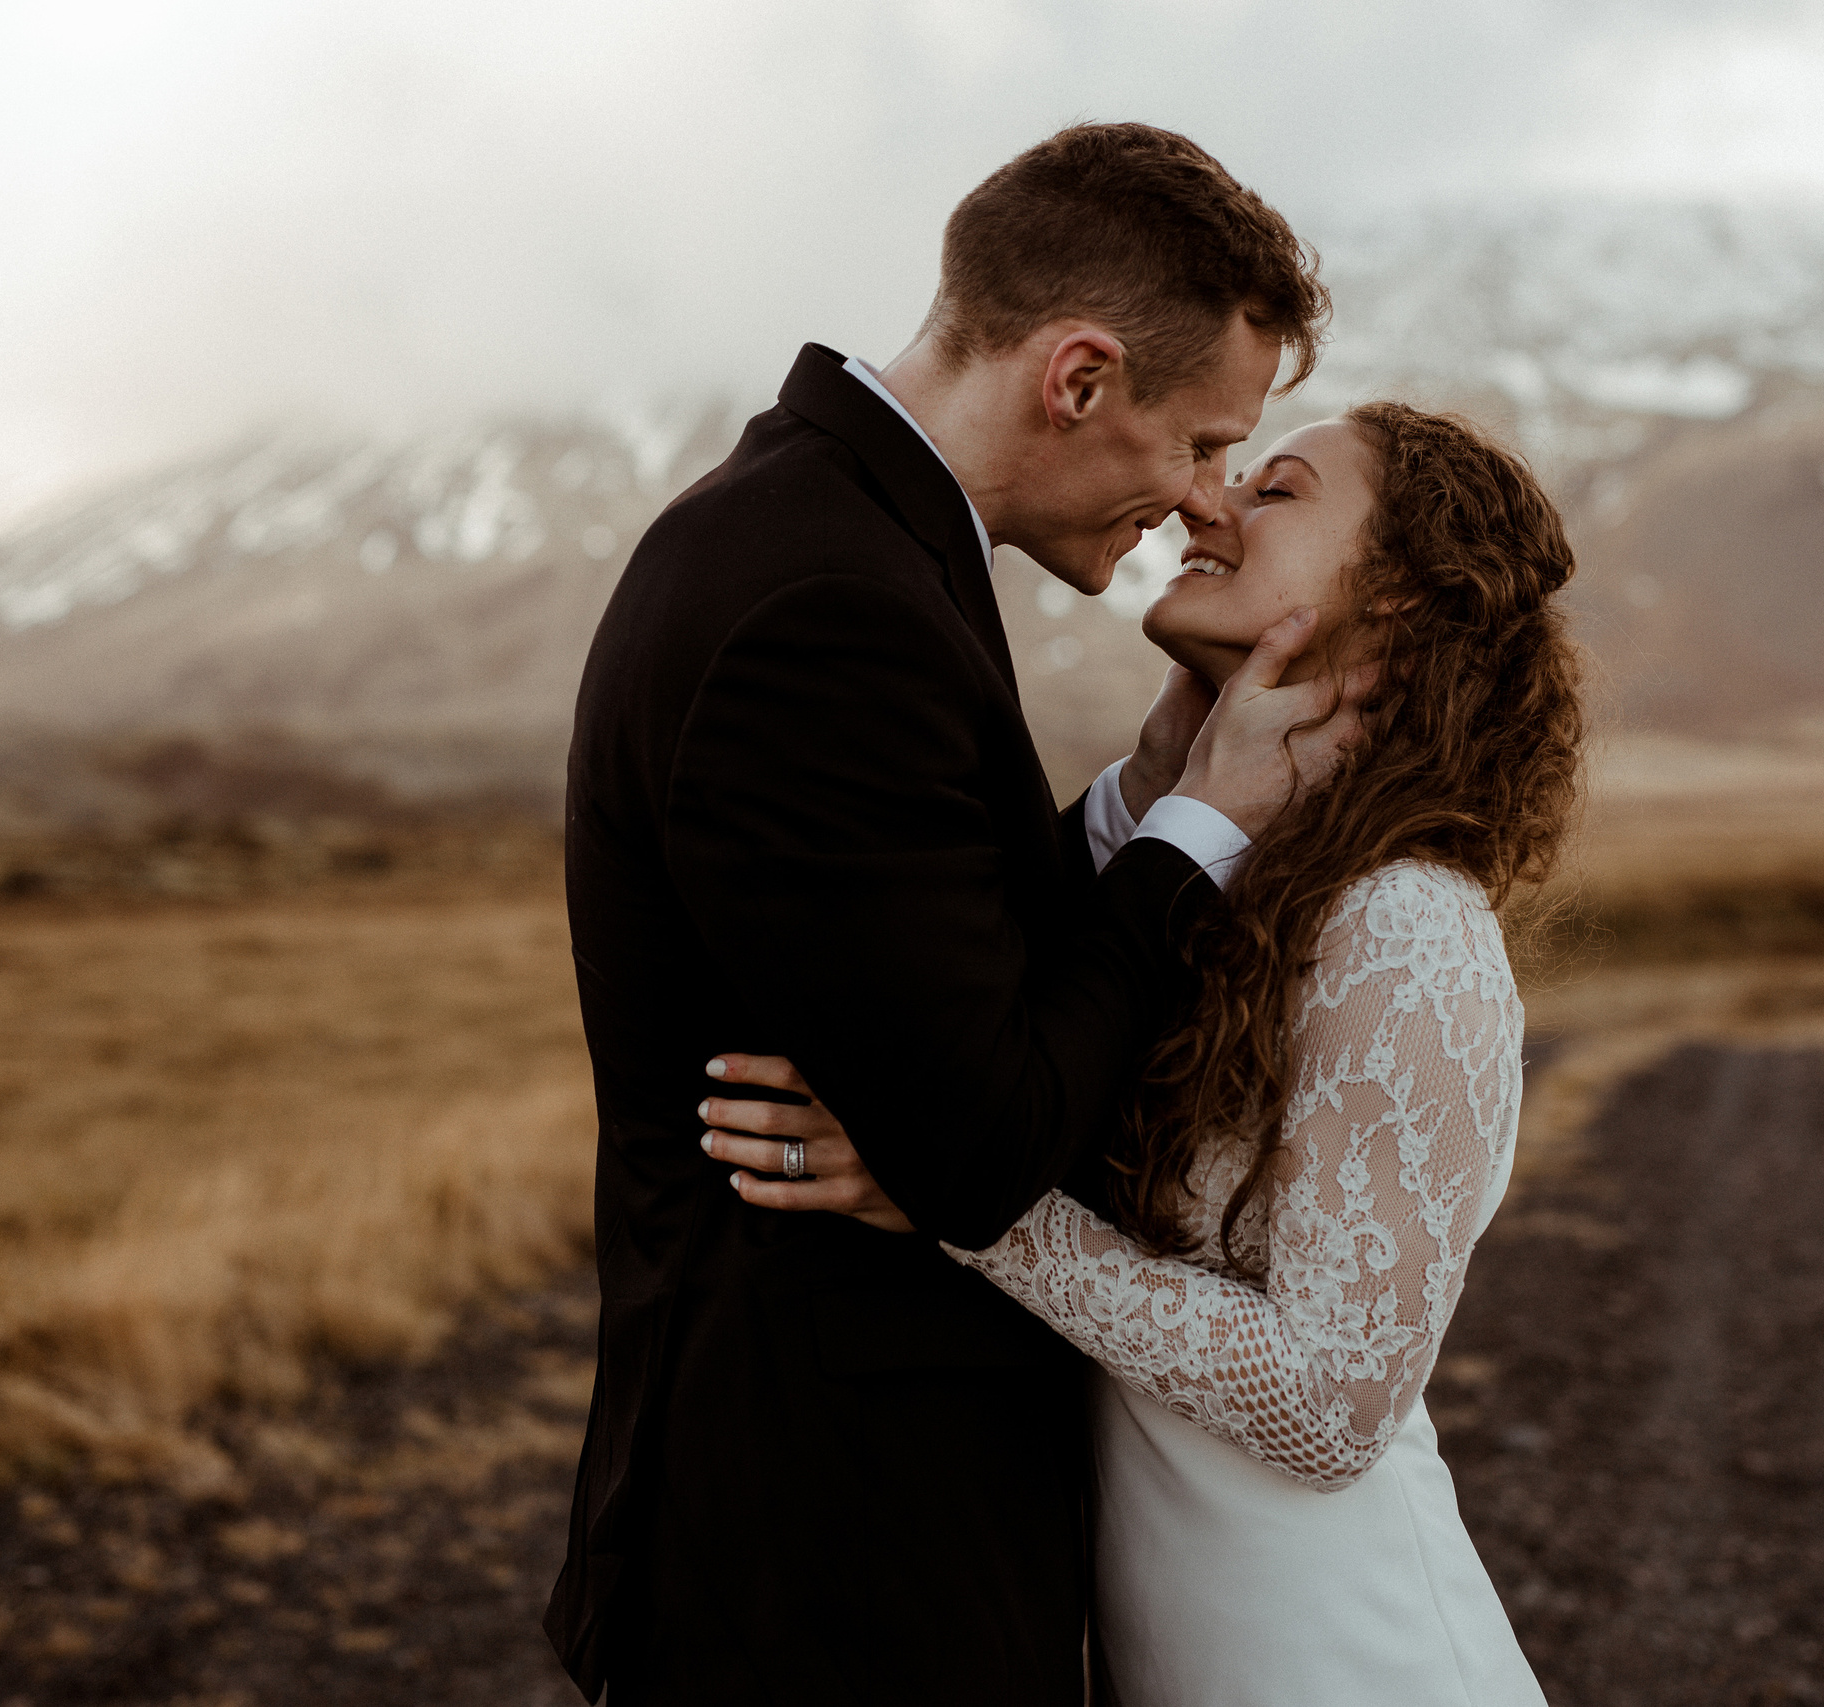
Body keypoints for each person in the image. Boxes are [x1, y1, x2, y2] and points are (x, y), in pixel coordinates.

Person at [543, 123, 1348, 1706]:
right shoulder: (823, 599)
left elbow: (921, 934)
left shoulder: (836, 530)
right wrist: (1207, 828)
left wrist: (1142, 789)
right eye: (1199, 442)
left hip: (836, 1519)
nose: (1200, 501)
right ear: (1078, 377)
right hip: (832, 1557)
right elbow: (978, 1147)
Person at [703, 402, 1584, 1705]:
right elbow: (1014, 1012)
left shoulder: (1406, 928)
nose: (1203, 504)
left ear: (1396, 599)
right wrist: (1157, 782)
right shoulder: (1221, 888)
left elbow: (1333, 1405)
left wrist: (969, 1202)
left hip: (1345, 1663)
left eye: (1276, 491)